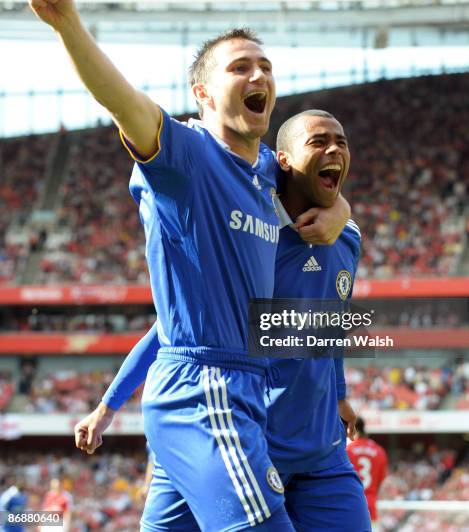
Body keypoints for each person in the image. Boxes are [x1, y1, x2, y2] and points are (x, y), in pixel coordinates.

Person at [27, 0, 348, 532]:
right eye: (239, 68)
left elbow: (323, 185)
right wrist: (70, 27)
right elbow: (123, 104)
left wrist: (340, 209)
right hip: (207, 390)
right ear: (202, 95)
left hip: (236, 392)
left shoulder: (263, 176)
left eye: (266, 67)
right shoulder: (188, 154)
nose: (259, 75)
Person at [76, 111, 371, 531]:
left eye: (342, 142)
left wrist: (338, 394)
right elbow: (174, 330)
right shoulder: (246, 235)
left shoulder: (348, 237)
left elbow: (327, 323)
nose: (335, 150)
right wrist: (108, 405)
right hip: (241, 441)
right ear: (284, 160)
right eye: (319, 141)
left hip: (321, 455)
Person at [347, 416, 388, 531]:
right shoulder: (379, 451)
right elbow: (380, 481)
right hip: (371, 505)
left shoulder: (348, 450)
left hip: (352, 505)